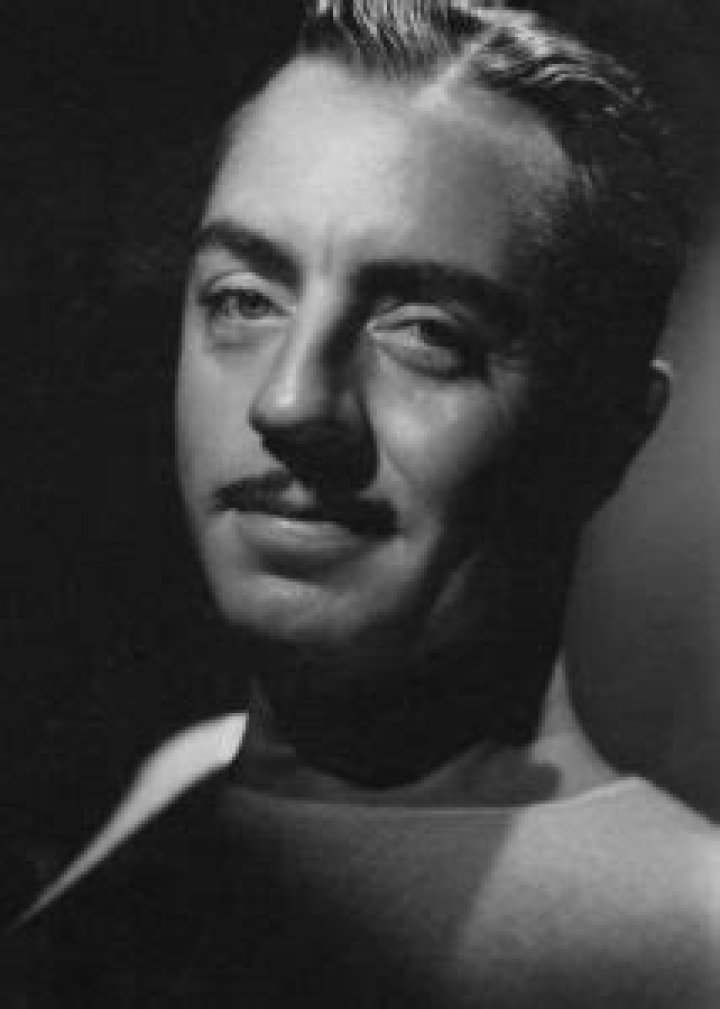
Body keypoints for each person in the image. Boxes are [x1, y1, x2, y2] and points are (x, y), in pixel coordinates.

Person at [5, 0, 720, 1004]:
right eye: (244, 298)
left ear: (611, 430)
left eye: (427, 331)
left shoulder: (692, 938)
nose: (290, 401)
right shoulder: (185, 773)